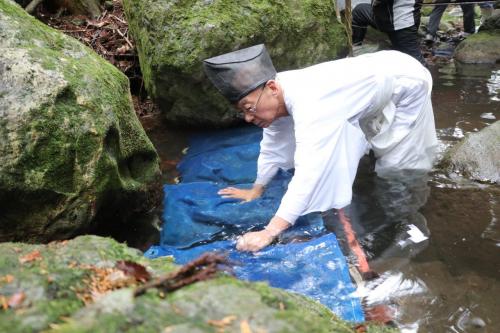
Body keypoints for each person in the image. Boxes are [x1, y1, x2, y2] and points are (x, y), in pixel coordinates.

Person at [203, 44, 437, 253]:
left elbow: (310, 171)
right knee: (370, 139)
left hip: (406, 80)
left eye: (249, 108)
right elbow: (273, 145)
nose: (247, 118)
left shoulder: (312, 105)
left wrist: (270, 232)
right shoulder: (275, 94)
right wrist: (257, 188)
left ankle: (404, 220)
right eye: (242, 111)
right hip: (374, 75)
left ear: (272, 88)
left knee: (398, 164)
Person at [351, 0, 425, 65]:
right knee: (359, 11)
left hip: (400, 23)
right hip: (388, 17)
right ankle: (356, 49)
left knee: (417, 63)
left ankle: (427, 78)